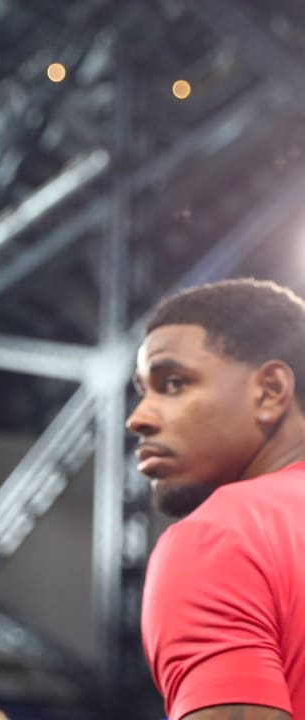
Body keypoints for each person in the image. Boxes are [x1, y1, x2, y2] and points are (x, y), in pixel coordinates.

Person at [129, 278, 305, 720]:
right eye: (143, 392)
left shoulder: (220, 537)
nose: (138, 419)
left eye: (173, 383)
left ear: (270, 391)